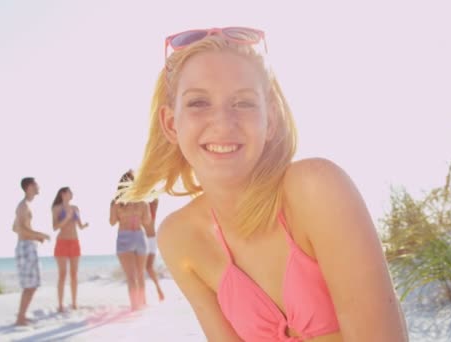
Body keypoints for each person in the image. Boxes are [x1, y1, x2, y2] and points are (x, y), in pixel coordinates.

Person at [121, 27, 409, 341]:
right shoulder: (179, 237)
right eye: (198, 103)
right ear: (171, 124)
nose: (222, 122)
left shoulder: (316, 190)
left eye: (243, 103)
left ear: (270, 120)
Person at [110, 170, 151, 311]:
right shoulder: (143, 202)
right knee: (140, 274)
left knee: (131, 276)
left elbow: (112, 222)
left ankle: (135, 306)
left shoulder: (117, 203)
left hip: (124, 236)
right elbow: (147, 221)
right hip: (139, 235)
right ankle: (143, 303)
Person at [12, 177, 50, 326]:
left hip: (28, 245)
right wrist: (40, 235)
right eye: (36, 184)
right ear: (29, 187)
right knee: (30, 285)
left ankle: (21, 316)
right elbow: (20, 228)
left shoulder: (25, 205)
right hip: (26, 247)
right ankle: (20, 317)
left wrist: (35, 237)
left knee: (32, 284)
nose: (38, 186)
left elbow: (15, 228)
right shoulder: (23, 206)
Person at [51, 187, 89, 312]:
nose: (72, 194)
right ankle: (60, 305)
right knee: (62, 274)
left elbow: (80, 225)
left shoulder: (75, 208)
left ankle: (74, 303)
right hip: (62, 242)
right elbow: (55, 227)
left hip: (74, 242)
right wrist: (66, 218)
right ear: (63, 194)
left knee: (74, 274)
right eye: (70, 192)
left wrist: (84, 225)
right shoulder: (56, 208)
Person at [145, 198, 165, 301]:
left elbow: (156, 198)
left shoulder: (152, 203)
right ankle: (143, 296)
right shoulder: (139, 203)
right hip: (142, 238)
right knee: (144, 268)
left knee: (148, 267)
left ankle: (159, 290)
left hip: (151, 239)